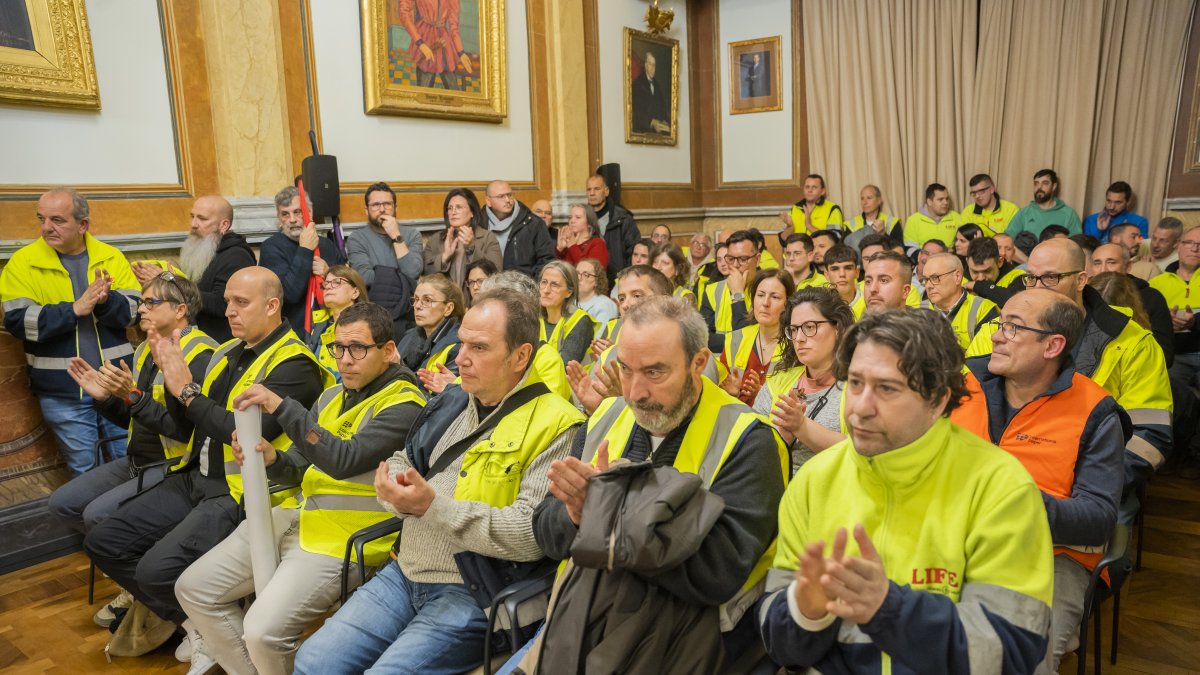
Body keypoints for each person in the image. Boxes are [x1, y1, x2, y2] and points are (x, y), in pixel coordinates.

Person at [294, 287, 585, 674]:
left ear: (521, 356)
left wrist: (432, 507)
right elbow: (403, 459)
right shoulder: (452, 400)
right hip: (404, 571)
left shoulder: (558, 423)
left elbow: (530, 534)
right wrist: (395, 494)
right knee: (312, 662)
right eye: (461, 343)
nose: (460, 358)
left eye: (479, 348)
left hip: (473, 591)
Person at [758, 308, 1055, 674]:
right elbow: (782, 646)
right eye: (854, 383)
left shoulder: (1000, 486)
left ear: (938, 400)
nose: (859, 409)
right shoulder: (814, 480)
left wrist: (888, 609)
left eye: (886, 388)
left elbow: (1009, 653)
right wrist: (806, 612)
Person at [522, 295, 787, 668]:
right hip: (578, 620)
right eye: (626, 369)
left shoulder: (749, 439)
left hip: (683, 641)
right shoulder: (607, 416)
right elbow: (546, 530)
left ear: (699, 363)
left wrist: (607, 515)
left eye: (655, 372)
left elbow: (719, 570)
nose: (635, 392)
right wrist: (578, 516)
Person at [83, 267, 328, 666]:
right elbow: (185, 425)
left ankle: (215, 632)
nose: (229, 311)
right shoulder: (228, 352)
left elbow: (243, 432)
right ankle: (194, 624)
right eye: (228, 301)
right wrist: (140, 396)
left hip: (241, 493)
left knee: (153, 572)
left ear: (272, 306)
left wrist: (186, 390)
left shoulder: (294, 363)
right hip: (195, 473)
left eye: (241, 303)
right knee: (103, 541)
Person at [175, 302, 426, 675]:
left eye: (357, 348)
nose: (344, 359)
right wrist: (270, 461)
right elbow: (300, 466)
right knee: (192, 588)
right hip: (298, 518)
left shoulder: (406, 403)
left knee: (261, 632)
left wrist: (281, 406)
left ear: (388, 351)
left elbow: (342, 459)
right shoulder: (331, 397)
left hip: (344, 541)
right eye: (337, 348)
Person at [952, 289, 1126, 673]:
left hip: (1050, 558)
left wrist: (1014, 503)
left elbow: (1098, 518)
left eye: (1013, 328)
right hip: (949, 542)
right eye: (1000, 323)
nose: (996, 334)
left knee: (1020, 660)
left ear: (1053, 346)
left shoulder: (1096, 412)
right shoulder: (962, 382)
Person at [52, 273, 217, 627]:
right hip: (137, 458)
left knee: (98, 517)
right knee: (62, 503)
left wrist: (132, 396)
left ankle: (152, 592)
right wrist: (104, 400)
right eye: (141, 302)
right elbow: (134, 417)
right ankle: (137, 579)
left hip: (174, 463)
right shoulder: (144, 347)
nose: (140, 308)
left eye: (151, 302)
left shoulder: (201, 353)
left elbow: (186, 428)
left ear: (180, 309)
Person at [969, 239, 1172, 522]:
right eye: (1030, 278)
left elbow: (1150, 437)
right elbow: (968, 411)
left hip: (1094, 483)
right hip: (997, 484)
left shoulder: (1131, 341)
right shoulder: (996, 330)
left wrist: (1090, 480)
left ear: (1080, 280)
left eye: (1051, 277)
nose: (1038, 288)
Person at [1, 188, 140, 475]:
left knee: (129, 462)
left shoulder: (110, 257)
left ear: (83, 225)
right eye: (42, 219)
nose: (45, 228)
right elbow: (17, 322)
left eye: (57, 220)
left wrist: (106, 302)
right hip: (63, 391)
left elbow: (135, 312)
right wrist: (74, 309)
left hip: (116, 383)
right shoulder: (22, 263)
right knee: (86, 471)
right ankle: (94, 522)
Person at [756, 287, 852, 472]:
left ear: (837, 328)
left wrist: (801, 427)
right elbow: (750, 448)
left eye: (809, 327)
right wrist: (780, 438)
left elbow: (864, 452)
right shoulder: (779, 382)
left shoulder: (859, 386)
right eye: (793, 330)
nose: (799, 338)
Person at [258, 186, 346, 338]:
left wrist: (328, 273)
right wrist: (305, 248)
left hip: (333, 328)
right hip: (294, 334)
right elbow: (289, 294)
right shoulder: (271, 247)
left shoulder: (327, 245)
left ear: (309, 213)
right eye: (285, 214)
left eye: (298, 212)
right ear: (279, 219)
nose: (292, 220)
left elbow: (351, 287)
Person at [1150, 227, 1200, 476]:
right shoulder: (1157, 284)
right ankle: (1173, 456)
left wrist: (1195, 323)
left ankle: (1195, 456)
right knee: (1170, 396)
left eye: (1199, 244)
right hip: (1175, 356)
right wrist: (1164, 320)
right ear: (1178, 246)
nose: (1194, 248)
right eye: (1189, 242)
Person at [172, 195, 255, 342]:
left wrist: (176, 284)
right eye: (192, 216)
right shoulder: (205, 248)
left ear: (224, 225)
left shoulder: (236, 256)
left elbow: (222, 305)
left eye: (202, 219)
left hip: (225, 344)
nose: (194, 224)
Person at [347, 182, 422, 338]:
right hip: (373, 315)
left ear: (395, 207)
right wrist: (402, 279)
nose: (382, 209)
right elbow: (364, 278)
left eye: (387, 204)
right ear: (366, 210)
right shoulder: (357, 238)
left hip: (407, 315)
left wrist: (395, 235)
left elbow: (413, 271)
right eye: (375, 205)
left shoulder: (412, 234)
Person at [719, 269, 795, 405]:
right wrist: (735, 395)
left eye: (775, 297)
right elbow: (718, 398)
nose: (765, 303)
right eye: (760, 295)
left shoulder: (796, 344)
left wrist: (763, 395)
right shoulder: (735, 339)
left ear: (788, 304)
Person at [1089, 243, 1174, 366]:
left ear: (1128, 267)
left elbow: (1165, 355)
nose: (1103, 270)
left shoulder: (1151, 297)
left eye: (1111, 262)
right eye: (1097, 263)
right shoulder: (1082, 296)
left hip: (1138, 370)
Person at [423, 187, 503, 293]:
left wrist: (471, 248)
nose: (453, 212)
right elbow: (425, 274)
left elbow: (495, 275)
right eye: (449, 208)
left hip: (476, 302)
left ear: (472, 212)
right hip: (445, 303)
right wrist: (444, 258)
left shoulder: (488, 238)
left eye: (459, 207)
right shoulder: (435, 239)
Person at [398, 274, 464, 393]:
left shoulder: (458, 347)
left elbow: (441, 399)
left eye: (427, 300)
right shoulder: (408, 336)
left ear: (448, 308)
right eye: (416, 299)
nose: (417, 306)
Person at [921, 252, 999, 349]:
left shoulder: (983, 309)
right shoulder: (919, 311)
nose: (928, 286)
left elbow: (982, 359)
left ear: (957, 277)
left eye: (935, 278)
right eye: (925, 279)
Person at [305, 265, 369, 381]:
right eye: (326, 284)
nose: (329, 287)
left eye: (337, 282)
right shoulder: (318, 326)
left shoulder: (366, 327)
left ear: (355, 292)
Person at [699, 230, 760, 349]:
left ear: (757, 259)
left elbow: (749, 343)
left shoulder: (767, 291)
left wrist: (738, 294)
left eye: (743, 259)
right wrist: (734, 341)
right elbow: (703, 337)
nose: (736, 265)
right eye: (731, 259)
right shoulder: (713, 290)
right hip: (719, 363)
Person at [483, 180, 556, 278]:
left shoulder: (534, 223)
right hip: (488, 289)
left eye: (509, 195)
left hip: (524, 289)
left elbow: (546, 260)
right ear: (488, 201)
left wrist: (532, 286)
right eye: (501, 196)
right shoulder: (478, 223)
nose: (507, 200)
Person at [396, 0, 472, 90]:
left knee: (453, 88)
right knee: (424, 90)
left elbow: (453, 25)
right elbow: (404, 12)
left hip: (444, 42)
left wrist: (461, 52)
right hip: (425, 38)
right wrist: (420, 43)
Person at [1006, 169, 1083, 254]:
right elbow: (1006, 243)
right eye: (1036, 184)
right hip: (1027, 264)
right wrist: (1028, 262)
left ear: (1054, 186)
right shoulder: (1024, 213)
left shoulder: (1069, 214)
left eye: (1045, 183)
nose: (1039, 187)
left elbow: (1076, 247)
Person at [539, 261, 597, 365]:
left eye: (554, 285)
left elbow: (563, 367)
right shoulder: (533, 317)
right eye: (544, 282)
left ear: (569, 292)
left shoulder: (580, 321)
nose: (546, 290)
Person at [585, 173, 640, 279]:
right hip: (589, 278)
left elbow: (633, 251)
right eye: (589, 189)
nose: (592, 193)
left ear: (606, 191)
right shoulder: (581, 218)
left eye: (596, 189)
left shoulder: (623, 218)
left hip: (616, 279)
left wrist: (625, 279)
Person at [843, 184, 903, 251]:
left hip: (884, 260)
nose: (865, 202)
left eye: (869, 198)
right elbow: (844, 249)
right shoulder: (851, 224)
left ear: (879, 201)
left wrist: (883, 234)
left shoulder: (892, 222)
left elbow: (899, 250)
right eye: (862, 199)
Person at [1084, 180, 1150, 239]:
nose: (1111, 207)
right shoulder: (1091, 220)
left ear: (1128, 202)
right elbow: (1087, 249)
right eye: (1108, 201)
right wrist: (1099, 231)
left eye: (1118, 202)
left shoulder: (1140, 222)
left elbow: (1141, 249)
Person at [902, 182, 960, 248]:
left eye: (947, 199)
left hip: (951, 257)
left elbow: (963, 245)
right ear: (929, 202)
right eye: (940, 199)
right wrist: (928, 256)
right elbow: (910, 248)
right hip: (924, 258)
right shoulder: (913, 220)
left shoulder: (956, 217)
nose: (946, 202)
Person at [857, 250, 912, 318]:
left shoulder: (922, 327)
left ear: (905, 291)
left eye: (883, 280)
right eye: (868, 281)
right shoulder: (857, 327)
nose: (872, 289)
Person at [555, 202, 609, 268]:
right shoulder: (567, 244)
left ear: (589, 222)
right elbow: (559, 271)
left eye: (578, 217)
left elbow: (590, 271)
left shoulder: (597, 243)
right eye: (570, 217)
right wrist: (560, 250)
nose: (572, 221)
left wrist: (572, 246)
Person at [631, 50, 671, 134]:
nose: (653, 68)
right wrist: (651, 122)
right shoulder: (637, 84)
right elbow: (636, 112)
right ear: (645, 65)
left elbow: (662, 108)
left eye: (654, 65)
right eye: (650, 64)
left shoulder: (657, 85)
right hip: (644, 130)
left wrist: (664, 120)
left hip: (659, 130)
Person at [574, 258, 618, 326]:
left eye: (586, 275)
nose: (579, 278)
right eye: (577, 273)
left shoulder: (605, 304)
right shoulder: (570, 301)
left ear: (597, 281)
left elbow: (601, 335)